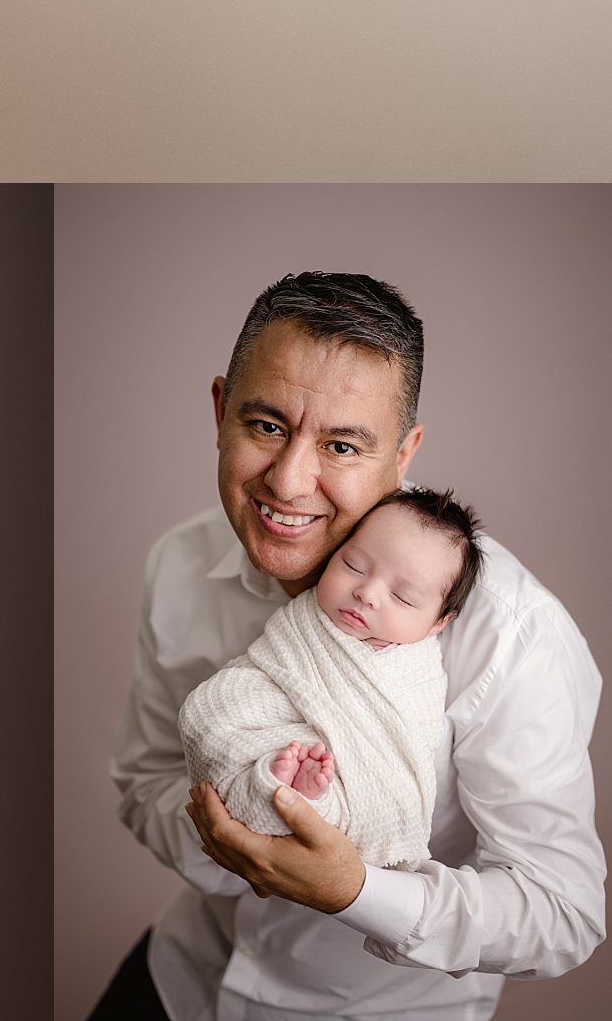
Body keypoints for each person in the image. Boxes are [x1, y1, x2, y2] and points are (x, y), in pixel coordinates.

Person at [97, 272, 604, 1021]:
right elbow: (144, 779)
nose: (290, 481)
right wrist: (239, 836)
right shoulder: (179, 561)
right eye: (266, 425)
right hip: (186, 979)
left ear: (404, 456)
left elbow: (563, 913)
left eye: (341, 445)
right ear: (219, 411)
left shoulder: (513, 637)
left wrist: (357, 892)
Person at [178, 488, 481, 869]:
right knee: (215, 707)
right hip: (264, 730)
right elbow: (252, 685)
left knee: (338, 794)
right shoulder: (307, 621)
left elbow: (393, 770)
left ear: (439, 622)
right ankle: (274, 786)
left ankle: (304, 797)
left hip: (347, 799)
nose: (367, 593)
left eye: (402, 598)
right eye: (353, 565)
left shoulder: (417, 673)